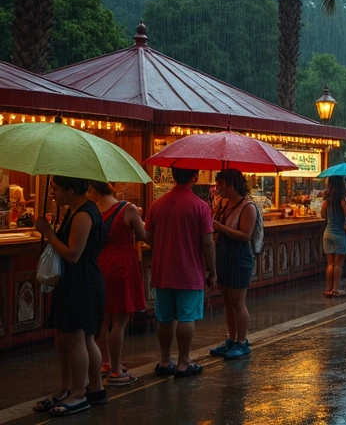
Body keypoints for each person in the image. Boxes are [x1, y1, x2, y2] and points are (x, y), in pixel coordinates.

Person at [32, 176, 107, 417]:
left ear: (71, 190)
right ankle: (93, 389)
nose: (53, 194)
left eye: (56, 189)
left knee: (76, 338)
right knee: (75, 338)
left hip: (82, 283)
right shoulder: (74, 210)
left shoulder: (84, 214)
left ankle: (78, 393)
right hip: (74, 281)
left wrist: (48, 233)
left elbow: (73, 254)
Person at [146, 168, 215, 379]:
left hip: (162, 269)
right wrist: (212, 270)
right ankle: (184, 361)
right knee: (187, 316)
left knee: (164, 317)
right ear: (195, 177)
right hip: (189, 270)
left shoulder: (157, 204)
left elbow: (148, 236)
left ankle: (165, 360)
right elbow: (207, 243)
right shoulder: (200, 206)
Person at [91, 181, 146, 386]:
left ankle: (104, 363)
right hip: (122, 266)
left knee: (103, 319)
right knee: (120, 322)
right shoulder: (127, 209)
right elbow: (142, 235)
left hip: (99, 263)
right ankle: (115, 370)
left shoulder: (92, 210)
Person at [209, 169, 256, 360]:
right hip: (222, 255)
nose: (218, 189)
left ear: (232, 185)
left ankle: (242, 342)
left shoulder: (248, 207)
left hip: (239, 257)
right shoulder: (222, 204)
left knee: (237, 301)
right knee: (227, 301)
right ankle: (232, 338)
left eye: (221, 185)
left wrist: (221, 228)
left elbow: (246, 235)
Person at [321, 176, 346, 297]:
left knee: (330, 264)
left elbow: (323, 214)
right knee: (338, 265)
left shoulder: (327, 199)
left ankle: (328, 288)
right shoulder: (341, 198)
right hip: (339, 234)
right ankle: (336, 288)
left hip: (327, 233)